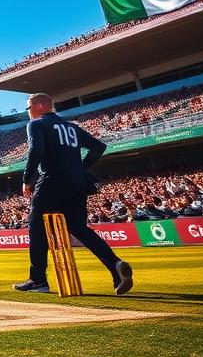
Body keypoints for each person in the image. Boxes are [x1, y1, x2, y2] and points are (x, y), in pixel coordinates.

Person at [13, 93, 132, 295]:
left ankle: (38, 280)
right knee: (79, 228)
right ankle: (115, 265)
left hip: (51, 180)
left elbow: (36, 151)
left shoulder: (37, 124)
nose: (29, 112)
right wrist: (81, 168)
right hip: (78, 183)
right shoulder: (72, 127)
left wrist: (27, 179)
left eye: (29, 107)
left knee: (36, 228)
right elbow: (99, 146)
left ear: (40, 106)